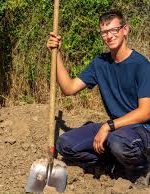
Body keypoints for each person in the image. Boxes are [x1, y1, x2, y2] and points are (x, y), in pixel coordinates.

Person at [47, 10, 150, 183]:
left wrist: (108, 126)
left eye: (114, 30)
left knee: (119, 142)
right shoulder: (100, 63)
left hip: (141, 129)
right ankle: (112, 165)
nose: (109, 36)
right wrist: (56, 53)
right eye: (104, 32)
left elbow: (146, 112)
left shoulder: (142, 65)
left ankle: (141, 170)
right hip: (116, 130)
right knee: (65, 144)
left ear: (125, 29)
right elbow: (69, 88)